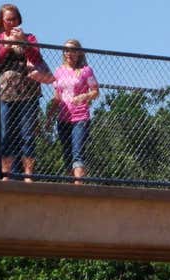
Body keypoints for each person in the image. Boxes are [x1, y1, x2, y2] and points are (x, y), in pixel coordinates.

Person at [0, 4, 54, 182]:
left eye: (14, 19)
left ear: (19, 19)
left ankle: (28, 175)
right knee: (6, 134)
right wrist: (7, 45)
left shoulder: (30, 37)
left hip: (29, 93)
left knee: (27, 134)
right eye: (8, 19)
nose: (12, 23)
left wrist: (24, 43)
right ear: (2, 21)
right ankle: (6, 174)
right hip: (5, 94)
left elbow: (36, 57)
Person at [51, 39, 98, 184]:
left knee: (77, 153)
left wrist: (85, 96)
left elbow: (96, 91)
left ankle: (79, 186)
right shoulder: (58, 71)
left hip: (80, 117)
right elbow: (57, 96)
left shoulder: (86, 71)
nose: (68, 53)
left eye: (72, 50)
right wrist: (49, 116)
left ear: (79, 53)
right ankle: (71, 185)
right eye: (66, 50)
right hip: (63, 118)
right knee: (67, 154)